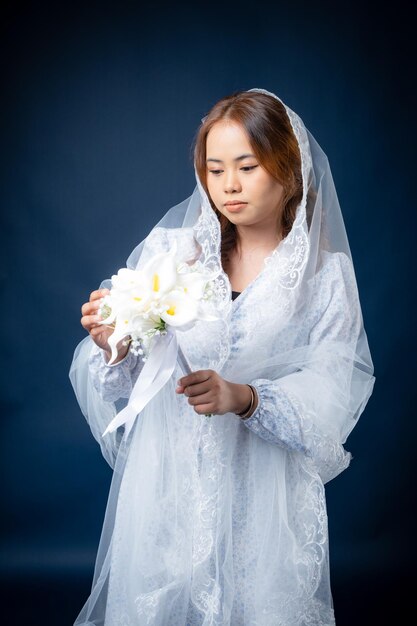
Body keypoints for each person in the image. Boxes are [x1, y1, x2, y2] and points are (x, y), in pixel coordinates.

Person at [70, 88, 375, 625]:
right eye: (214, 169)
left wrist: (247, 397)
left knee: (257, 598)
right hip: (171, 479)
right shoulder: (174, 253)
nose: (228, 185)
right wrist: (114, 345)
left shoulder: (324, 280)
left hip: (263, 488)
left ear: (288, 169)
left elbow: (335, 382)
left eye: (247, 166)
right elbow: (130, 374)